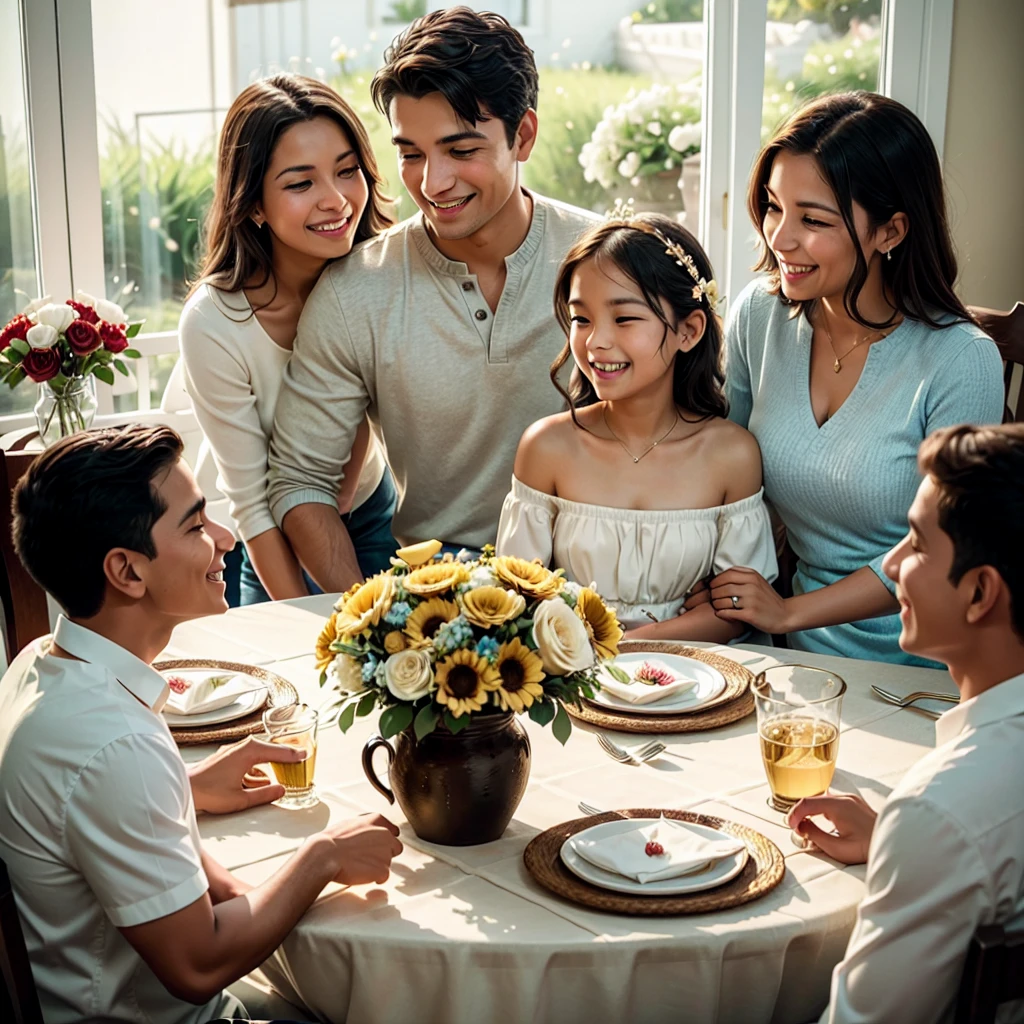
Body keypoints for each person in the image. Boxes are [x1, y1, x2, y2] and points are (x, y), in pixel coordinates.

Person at [0, 424, 402, 1024]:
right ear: (127, 572)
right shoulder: (116, 746)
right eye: (195, 526)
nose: (225, 537)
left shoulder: (37, 662)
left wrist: (185, 790)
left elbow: (66, 809)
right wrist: (322, 855)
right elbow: (197, 965)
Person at [266, 7, 600, 590]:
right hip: (440, 595)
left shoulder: (607, 260)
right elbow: (300, 482)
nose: (432, 182)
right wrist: (366, 616)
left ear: (522, 135)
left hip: (607, 580)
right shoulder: (356, 290)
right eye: (411, 153)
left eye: (461, 150)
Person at [700, 92, 1004, 663]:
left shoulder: (961, 360)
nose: (779, 238)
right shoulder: (761, 315)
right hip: (786, 652)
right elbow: (726, 478)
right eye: (773, 206)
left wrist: (788, 611)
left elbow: (944, 548)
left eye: (812, 219)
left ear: (890, 231)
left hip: (923, 658)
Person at [788, 422, 1024, 1024]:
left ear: (979, 594)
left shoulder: (942, 808)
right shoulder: (942, 817)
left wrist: (921, 830)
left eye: (915, 542)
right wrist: (901, 834)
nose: (892, 564)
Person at [497, 213, 776, 639]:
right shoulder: (547, 447)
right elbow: (516, 601)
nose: (595, 342)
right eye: (581, 319)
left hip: (699, 681)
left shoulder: (731, 454)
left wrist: (622, 647)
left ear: (689, 330)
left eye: (624, 319)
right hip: (573, 680)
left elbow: (737, 610)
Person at [179, 74, 397, 605]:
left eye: (347, 172)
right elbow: (254, 502)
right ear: (252, 203)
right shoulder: (214, 324)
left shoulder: (380, 272)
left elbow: (362, 405)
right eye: (301, 184)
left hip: (368, 505)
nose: (336, 201)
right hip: (262, 531)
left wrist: (329, 512)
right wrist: (305, 611)